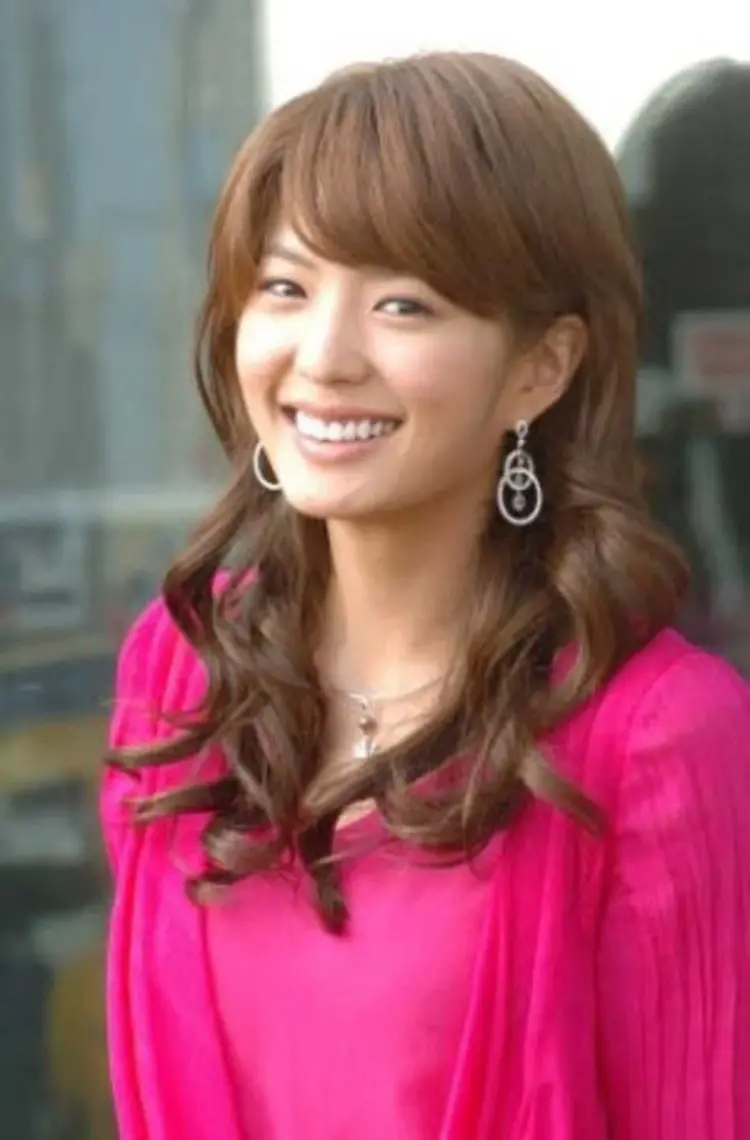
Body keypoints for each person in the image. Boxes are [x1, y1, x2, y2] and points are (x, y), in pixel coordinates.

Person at [101, 52, 750, 1140]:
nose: (324, 357)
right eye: (285, 287)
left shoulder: (659, 741)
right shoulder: (186, 666)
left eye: (403, 304)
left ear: (540, 368)